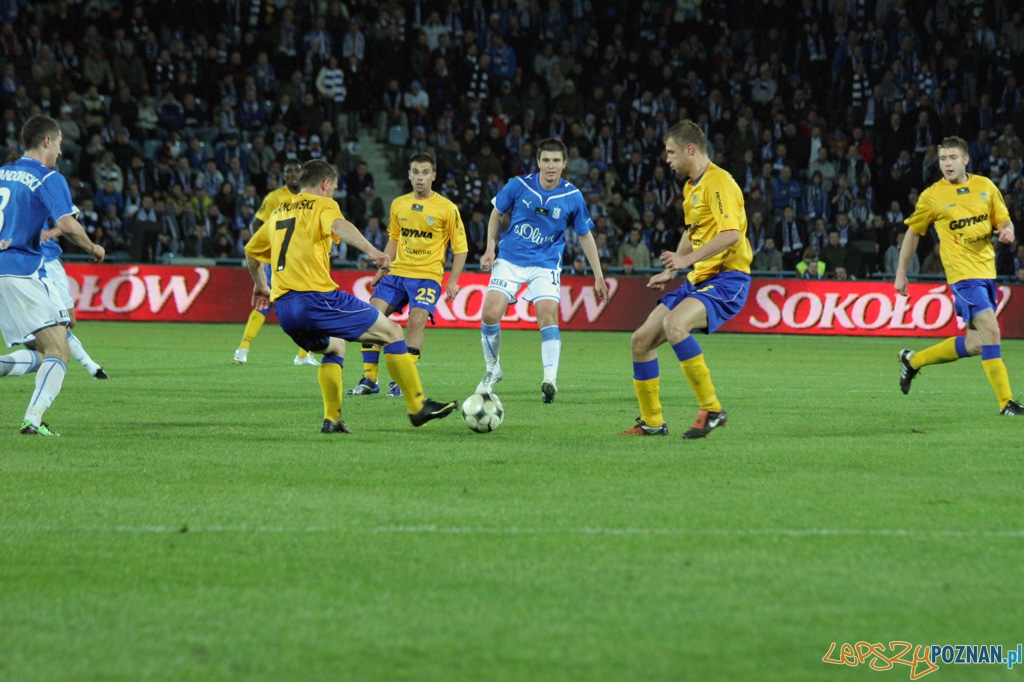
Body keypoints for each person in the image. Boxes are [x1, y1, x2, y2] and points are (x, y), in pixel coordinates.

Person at [244, 159, 457, 433]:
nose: (332, 193)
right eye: (332, 188)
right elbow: (339, 226)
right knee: (392, 332)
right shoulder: (323, 204)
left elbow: (251, 251)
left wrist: (261, 284)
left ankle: (332, 419)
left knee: (335, 347)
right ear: (324, 184)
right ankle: (417, 406)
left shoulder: (280, 210)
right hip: (317, 299)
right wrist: (374, 252)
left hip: (285, 308)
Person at [621, 120, 752, 439]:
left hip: (728, 279)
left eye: (671, 152)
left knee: (675, 325)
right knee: (640, 341)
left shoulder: (718, 181)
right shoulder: (691, 187)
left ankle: (712, 409)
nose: (667, 159)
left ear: (690, 149)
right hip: (698, 279)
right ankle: (652, 422)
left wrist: (686, 260)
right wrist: (672, 269)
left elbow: (731, 234)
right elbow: (692, 232)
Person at [895, 136, 1023, 415]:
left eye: (953, 157)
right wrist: (901, 272)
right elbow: (913, 233)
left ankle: (913, 360)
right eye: (943, 159)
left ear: (966, 159)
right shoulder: (932, 196)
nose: (947, 163)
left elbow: (1003, 219)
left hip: (987, 272)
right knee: (992, 331)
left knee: (976, 343)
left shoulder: (985, 186)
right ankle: (1007, 404)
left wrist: (1007, 229)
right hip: (962, 276)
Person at [476, 137, 609, 404]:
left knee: (547, 317)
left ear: (564, 163)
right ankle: (492, 369)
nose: (551, 166)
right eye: (546, 160)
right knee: (490, 314)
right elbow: (495, 213)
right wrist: (490, 248)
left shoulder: (572, 196)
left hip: (546, 264)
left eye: (556, 160)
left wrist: (599, 276)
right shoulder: (518, 185)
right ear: (538, 162)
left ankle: (550, 379)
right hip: (511, 260)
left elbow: (585, 236)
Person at [0, 114, 106, 436]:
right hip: (18, 270)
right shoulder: (49, 178)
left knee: (41, 350)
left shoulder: (3, 173)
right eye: (59, 144)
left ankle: (33, 417)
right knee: (59, 350)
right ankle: (33, 418)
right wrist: (94, 248)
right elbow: (68, 224)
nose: (60, 151)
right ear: (47, 141)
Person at [349, 152, 468, 397]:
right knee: (371, 317)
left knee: (416, 321)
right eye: (415, 172)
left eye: (425, 172)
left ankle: (403, 382)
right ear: (409, 175)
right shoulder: (398, 204)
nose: (420, 177)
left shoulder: (447, 208)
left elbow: (461, 248)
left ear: (433, 176)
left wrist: (453, 280)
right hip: (397, 273)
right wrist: (382, 269)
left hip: (427, 275)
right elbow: (394, 239)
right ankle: (370, 380)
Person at [232, 159, 319, 367]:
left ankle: (303, 354)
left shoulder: (309, 197)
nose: (293, 175)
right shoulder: (275, 197)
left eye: (297, 171)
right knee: (265, 302)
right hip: (279, 261)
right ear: (284, 175)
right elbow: (256, 222)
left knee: (308, 304)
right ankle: (243, 348)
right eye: (288, 171)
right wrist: (264, 247)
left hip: (300, 261)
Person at [40, 230, 109, 379]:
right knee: (58, 323)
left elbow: (66, 225)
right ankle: (92, 367)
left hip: (54, 263)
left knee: (70, 321)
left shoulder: (40, 206)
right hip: (33, 267)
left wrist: (51, 232)